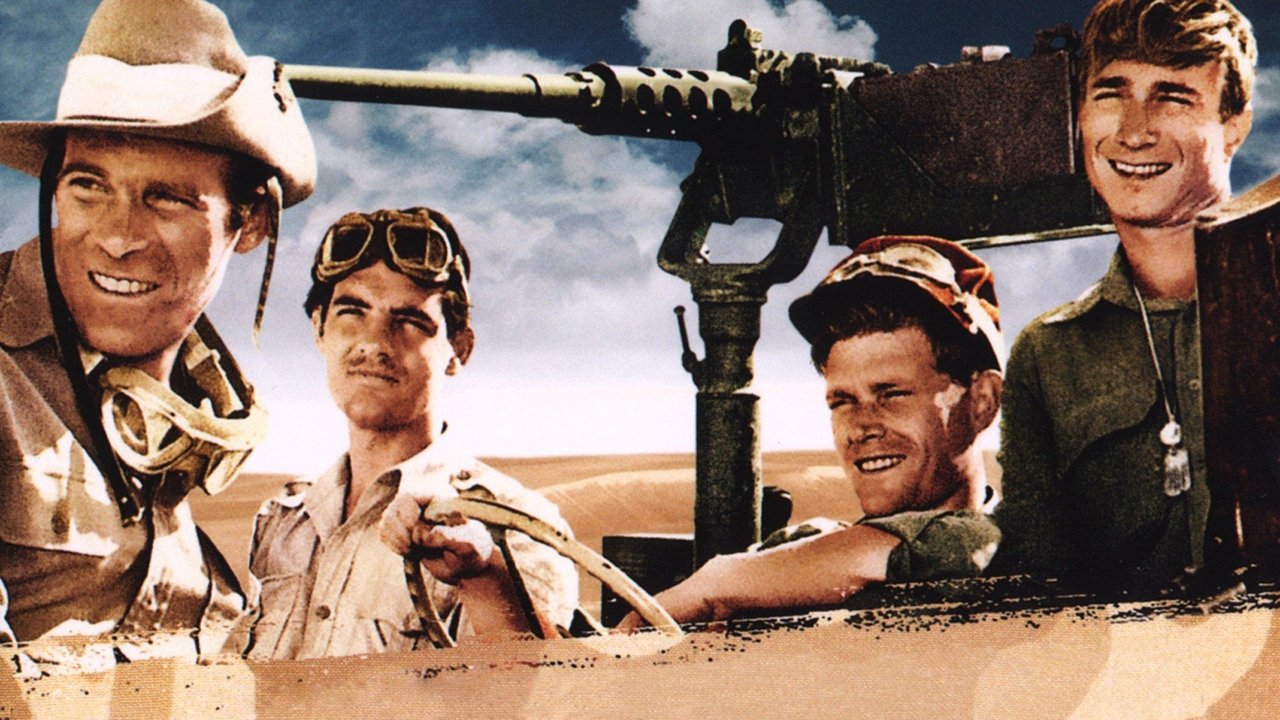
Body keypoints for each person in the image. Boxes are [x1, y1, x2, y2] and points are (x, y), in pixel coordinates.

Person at [0, 0, 315, 659]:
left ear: (250, 223)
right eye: (87, 186)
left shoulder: (189, 413)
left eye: (166, 197)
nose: (118, 237)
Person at [993, 0, 1256, 592]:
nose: (1135, 131)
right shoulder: (1048, 356)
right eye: (1110, 95)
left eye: (1174, 97)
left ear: (1234, 127)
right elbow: (1035, 583)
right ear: (1079, 118)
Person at [248, 207, 579, 660]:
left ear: (458, 350)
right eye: (352, 312)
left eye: (409, 321)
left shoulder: (513, 525)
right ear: (319, 330)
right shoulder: (283, 523)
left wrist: (485, 576)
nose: (374, 342)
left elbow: (543, 689)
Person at [621, 236, 1003, 626]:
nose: (861, 427)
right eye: (842, 401)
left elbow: (953, 543)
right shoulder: (802, 552)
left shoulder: (1005, 546)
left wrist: (716, 584)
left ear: (982, 402)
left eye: (892, 394)